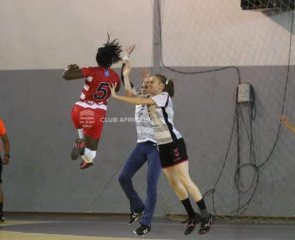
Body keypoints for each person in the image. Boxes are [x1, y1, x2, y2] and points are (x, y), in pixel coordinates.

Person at [110, 61, 214, 235]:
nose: (148, 84)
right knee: (174, 183)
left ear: (160, 87)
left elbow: (132, 97)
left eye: (152, 83)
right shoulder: (146, 98)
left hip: (174, 143)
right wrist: (126, 74)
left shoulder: (163, 97)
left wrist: (116, 96)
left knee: (184, 179)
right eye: (147, 83)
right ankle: (192, 215)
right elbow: (133, 94)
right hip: (161, 146)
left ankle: (206, 215)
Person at [118, 46, 161, 236]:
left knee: (151, 185)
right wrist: (126, 59)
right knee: (123, 177)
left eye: (148, 85)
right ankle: (137, 206)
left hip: (157, 148)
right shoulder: (137, 98)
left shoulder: (159, 100)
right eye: (143, 85)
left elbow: (153, 91)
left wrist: (149, 81)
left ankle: (146, 222)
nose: (144, 87)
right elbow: (125, 79)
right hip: (141, 145)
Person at [63, 34, 122, 169]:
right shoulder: (114, 77)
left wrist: (69, 68)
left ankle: (82, 147)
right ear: (111, 61)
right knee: (92, 154)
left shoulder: (91, 70)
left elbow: (66, 76)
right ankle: (84, 152)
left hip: (78, 110)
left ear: (97, 58)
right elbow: (117, 89)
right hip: (96, 114)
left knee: (86, 151)